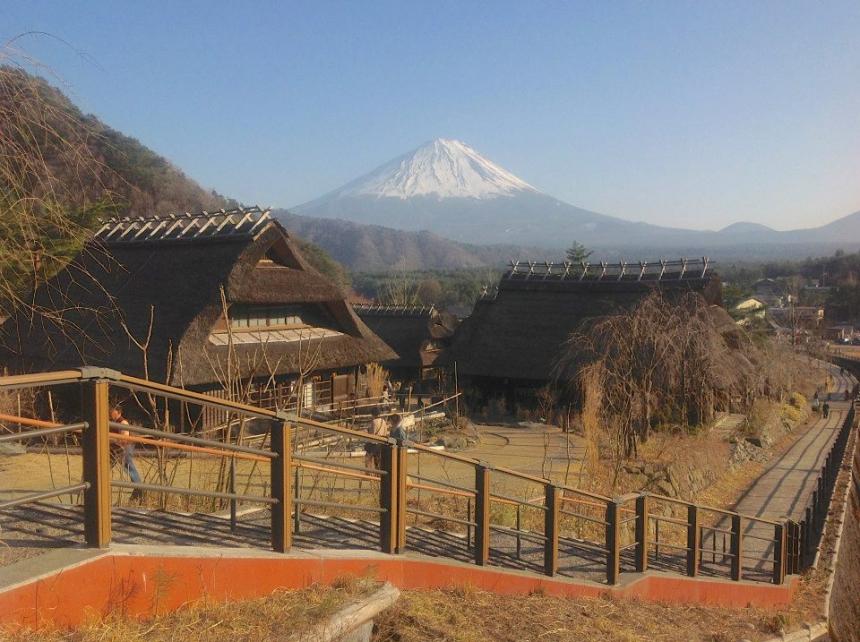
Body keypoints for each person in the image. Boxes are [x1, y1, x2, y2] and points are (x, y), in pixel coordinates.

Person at [109, 405, 143, 501]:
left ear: (119, 412)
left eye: (113, 411)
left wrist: (111, 440)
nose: (111, 413)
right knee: (107, 465)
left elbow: (124, 438)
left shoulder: (123, 422)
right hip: (115, 448)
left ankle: (139, 488)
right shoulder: (113, 422)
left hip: (124, 447)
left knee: (128, 465)